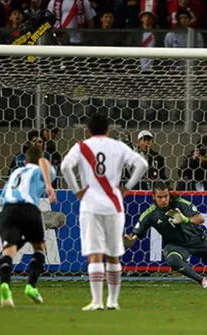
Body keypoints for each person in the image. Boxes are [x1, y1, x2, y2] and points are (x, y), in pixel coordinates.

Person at [60, 113, 148, 311]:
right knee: (114, 254)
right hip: (114, 205)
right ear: (108, 130)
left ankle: (97, 301)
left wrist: (77, 190)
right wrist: (127, 187)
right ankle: (113, 301)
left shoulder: (81, 147)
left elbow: (65, 166)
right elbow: (143, 164)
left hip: (90, 205)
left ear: (88, 130)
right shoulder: (118, 146)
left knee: (95, 253)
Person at [0, 145, 57, 307]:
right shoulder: (40, 169)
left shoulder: (15, 173)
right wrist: (49, 186)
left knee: (9, 249)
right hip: (29, 208)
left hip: (8, 210)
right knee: (39, 247)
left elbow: (2, 198)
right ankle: (31, 285)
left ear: (25, 160)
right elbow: (44, 162)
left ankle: (5, 286)